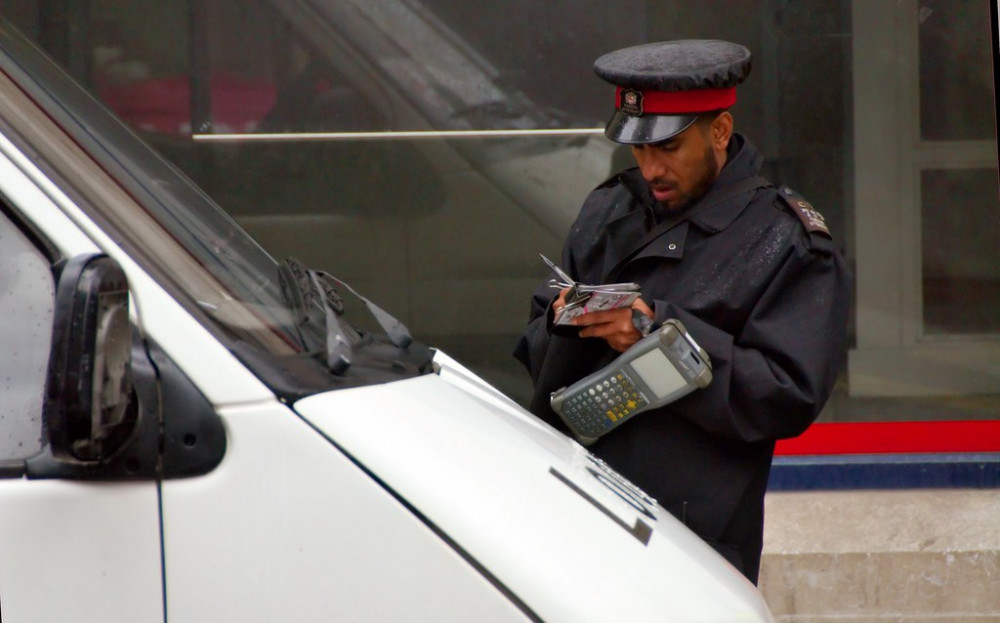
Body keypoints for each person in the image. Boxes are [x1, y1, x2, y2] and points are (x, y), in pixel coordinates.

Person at [513, 39, 851, 584]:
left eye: (668, 148)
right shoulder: (608, 208)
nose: (650, 168)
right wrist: (565, 321)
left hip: (693, 538)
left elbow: (788, 393)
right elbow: (533, 342)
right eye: (639, 150)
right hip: (579, 516)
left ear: (718, 132)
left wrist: (655, 334)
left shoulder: (787, 239)